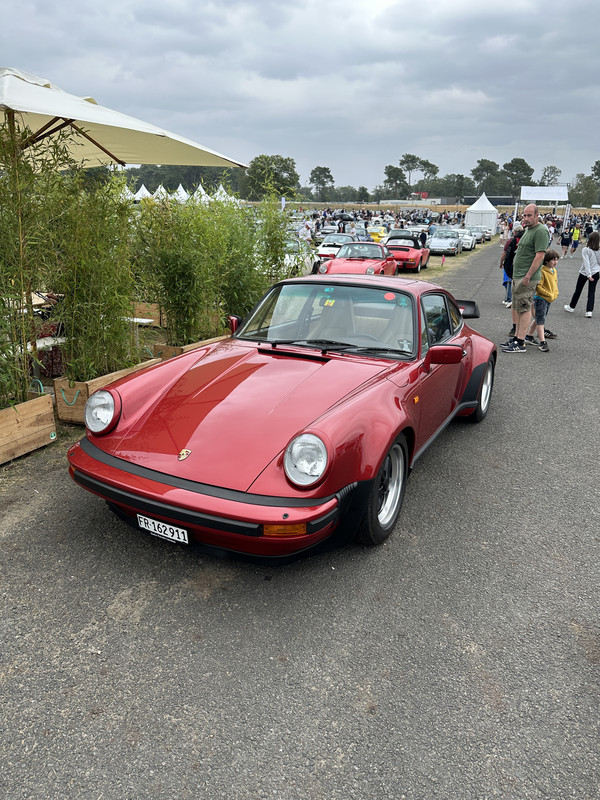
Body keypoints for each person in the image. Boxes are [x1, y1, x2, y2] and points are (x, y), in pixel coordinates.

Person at [502, 204, 550, 353]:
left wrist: (528, 275)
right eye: (524, 215)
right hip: (518, 275)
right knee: (518, 308)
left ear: (536, 215)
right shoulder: (528, 229)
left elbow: (540, 256)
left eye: (529, 215)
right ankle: (517, 337)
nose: (526, 218)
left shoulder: (541, 231)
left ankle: (520, 342)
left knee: (524, 308)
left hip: (526, 277)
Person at [524, 249, 559, 352]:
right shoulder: (542, 271)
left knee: (539, 318)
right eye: (553, 260)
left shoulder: (554, 271)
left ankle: (529, 336)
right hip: (541, 299)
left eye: (557, 260)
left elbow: (555, 284)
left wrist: (555, 293)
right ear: (547, 261)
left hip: (549, 299)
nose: (555, 262)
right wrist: (549, 294)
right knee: (541, 321)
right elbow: (539, 287)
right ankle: (542, 342)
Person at [563, 230, 600, 317]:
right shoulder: (598, 250)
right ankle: (589, 311)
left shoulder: (586, 250)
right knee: (592, 292)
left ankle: (572, 307)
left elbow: (586, 263)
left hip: (584, 272)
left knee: (578, 290)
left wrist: (589, 274)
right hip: (596, 272)